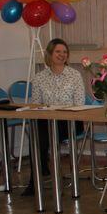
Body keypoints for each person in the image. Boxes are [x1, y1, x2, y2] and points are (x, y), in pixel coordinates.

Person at [24, 38, 85, 195]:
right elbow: (36, 104)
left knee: (42, 135)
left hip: (70, 121)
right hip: (47, 120)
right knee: (37, 132)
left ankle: (39, 176)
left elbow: (79, 103)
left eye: (65, 52)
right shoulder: (39, 77)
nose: (62, 55)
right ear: (50, 54)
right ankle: (37, 177)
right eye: (58, 51)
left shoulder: (75, 75)